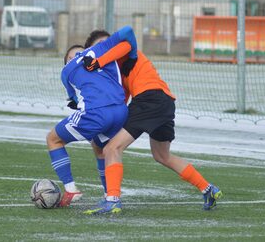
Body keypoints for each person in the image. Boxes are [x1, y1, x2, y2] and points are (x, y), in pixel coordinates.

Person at [82, 26, 222, 214]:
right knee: (162, 156)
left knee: (111, 148)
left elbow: (123, 42)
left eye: (106, 42)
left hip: (149, 99)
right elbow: (121, 99)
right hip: (164, 102)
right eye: (100, 45)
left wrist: (96, 62)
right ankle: (208, 189)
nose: (106, 45)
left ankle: (112, 200)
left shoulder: (125, 49)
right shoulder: (116, 71)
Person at [47, 27, 137, 207]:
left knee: (53, 139)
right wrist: (133, 56)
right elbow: (128, 31)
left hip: (96, 112)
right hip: (121, 111)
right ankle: (109, 196)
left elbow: (73, 99)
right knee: (101, 148)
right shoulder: (100, 50)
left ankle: (71, 189)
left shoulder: (65, 72)